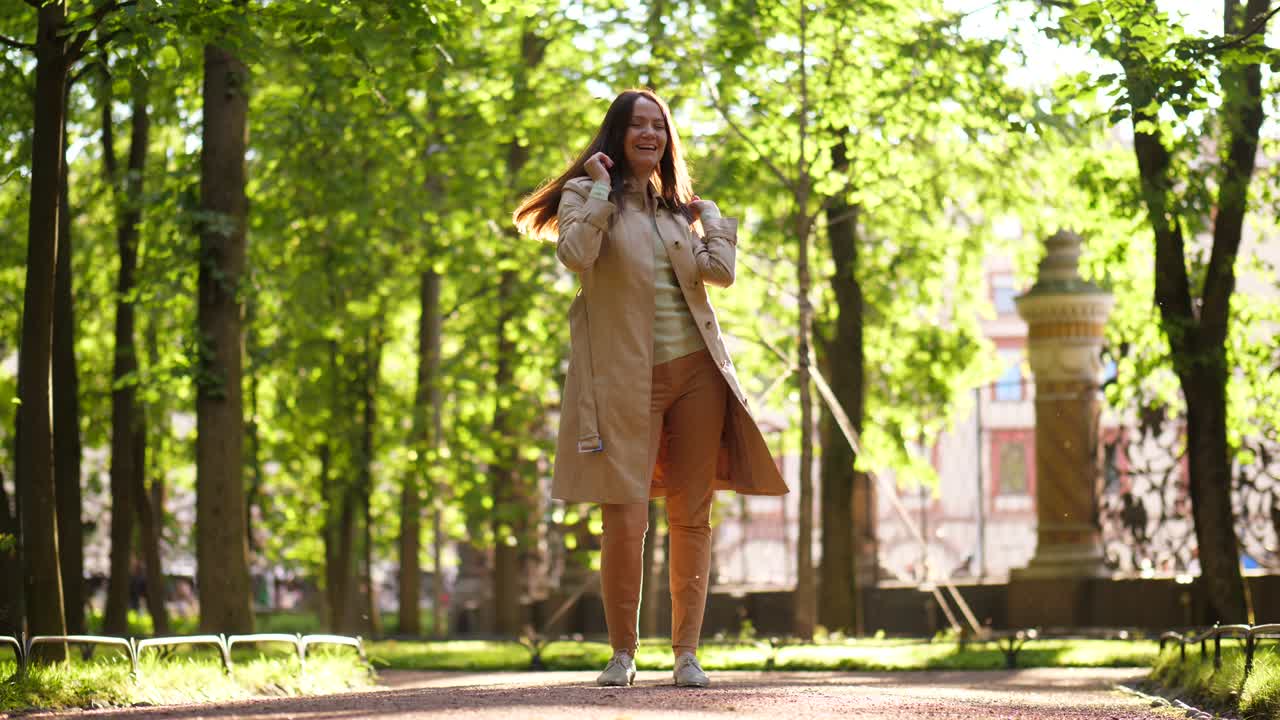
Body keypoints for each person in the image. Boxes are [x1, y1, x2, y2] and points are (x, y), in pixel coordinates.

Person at [514, 89, 788, 688]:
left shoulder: (677, 212)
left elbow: (720, 274)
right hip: (624, 381)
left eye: (658, 125)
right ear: (617, 135)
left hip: (698, 374)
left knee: (692, 516)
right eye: (637, 124)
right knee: (625, 517)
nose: (649, 134)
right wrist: (597, 190)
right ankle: (621, 654)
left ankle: (686, 655)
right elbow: (575, 255)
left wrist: (711, 219)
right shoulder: (588, 198)